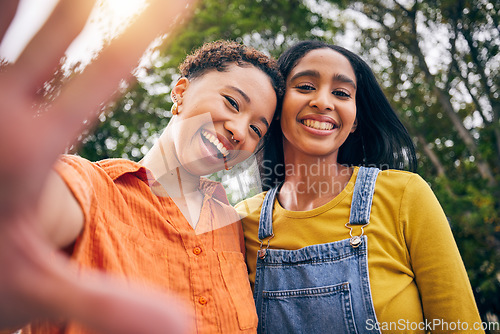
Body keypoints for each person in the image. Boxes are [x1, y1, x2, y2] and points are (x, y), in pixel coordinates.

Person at [0, 1, 284, 334]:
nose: (239, 131)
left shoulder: (234, 227)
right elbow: (30, 212)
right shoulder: (91, 187)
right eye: (232, 102)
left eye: (256, 129)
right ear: (180, 92)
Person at [236, 40, 484, 334]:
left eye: (341, 93)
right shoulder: (241, 221)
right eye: (305, 87)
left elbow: (460, 326)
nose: (323, 102)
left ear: (354, 121)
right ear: (277, 107)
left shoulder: (404, 195)